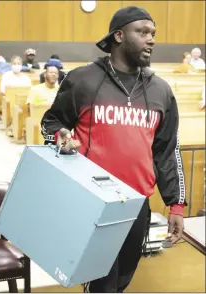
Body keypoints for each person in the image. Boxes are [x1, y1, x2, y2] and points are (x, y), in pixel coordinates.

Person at [41, 6, 186, 293]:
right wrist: (60, 135)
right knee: (100, 283)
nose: (151, 39)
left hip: (136, 203)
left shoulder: (161, 91)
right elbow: (52, 121)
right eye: (142, 32)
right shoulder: (83, 79)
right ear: (118, 36)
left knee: (122, 280)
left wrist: (175, 204)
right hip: (93, 201)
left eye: (153, 33)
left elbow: (166, 151)